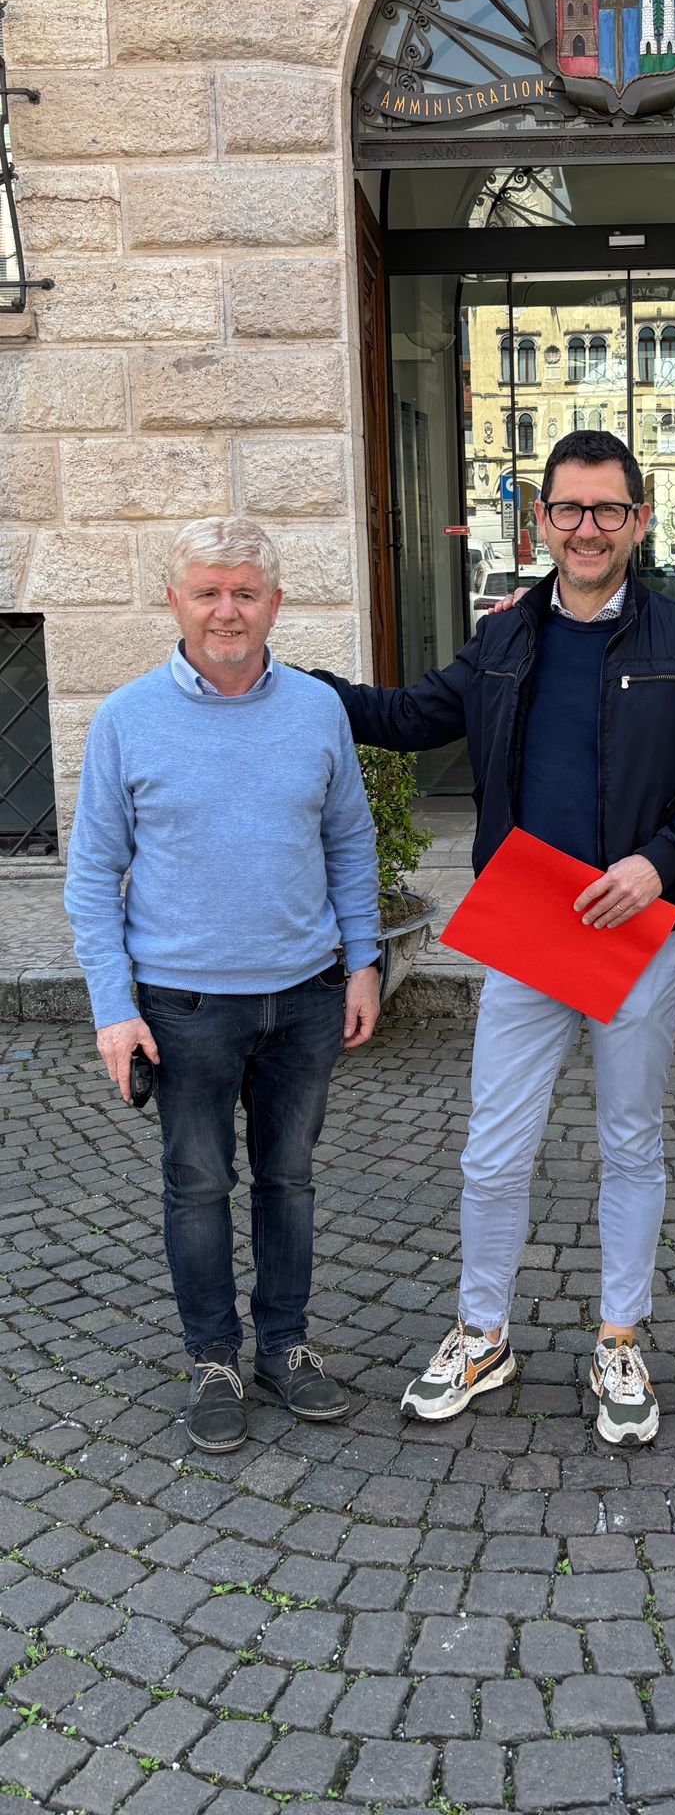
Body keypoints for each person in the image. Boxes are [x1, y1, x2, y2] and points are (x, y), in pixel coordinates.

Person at [314, 431, 675, 1444]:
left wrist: (660, 864)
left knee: (631, 1144)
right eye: (569, 510)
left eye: (608, 509)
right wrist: (283, 681)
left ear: (640, 520)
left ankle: (620, 1338)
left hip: (639, 929)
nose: (588, 528)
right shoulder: (502, 640)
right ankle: (483, 1333)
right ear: (540, 521)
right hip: (529, 928)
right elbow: (404, 716)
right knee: (493, 1150)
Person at [64, 517, 382, 1454]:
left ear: (276, 603)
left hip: (307, 995)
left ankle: (284, 1347)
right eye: (207, 591)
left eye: (245, 591)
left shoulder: (317, 710)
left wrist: (364, 960)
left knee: (290, 1179)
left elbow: (349, 840)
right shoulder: (126, 718)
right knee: (198, 1186)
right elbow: (92, 875)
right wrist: (114, 1008)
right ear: (175, 601)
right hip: (183, 1005)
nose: (226, 610)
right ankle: (213, 1359)